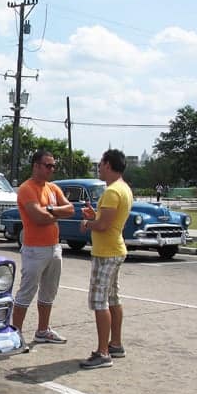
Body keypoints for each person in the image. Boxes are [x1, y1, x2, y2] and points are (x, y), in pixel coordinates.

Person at [12, 150, 74, 345]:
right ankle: (15, 334)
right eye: (48, 165)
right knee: (26, 291)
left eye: (53, 166)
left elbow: (71, 209)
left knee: (49, 291)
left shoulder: (53, 188)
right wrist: (55, 213)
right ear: (36, 166)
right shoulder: (26, 188)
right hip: (34, 249)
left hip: (54, 247)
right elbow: (37, 218)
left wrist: (49, 210)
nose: (52, 169)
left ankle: (42, 330)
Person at [79, 149, 133, 369]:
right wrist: (95, 216)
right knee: (113, 298)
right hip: (115, 249)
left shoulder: (112, 192)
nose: (98, 168)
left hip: (106, 252)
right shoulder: (124, 188)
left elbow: (104, 226)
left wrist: (88, 224)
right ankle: (115, 344)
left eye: (100, 164)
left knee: (99, 301)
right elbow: (108, 220)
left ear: (109, 165)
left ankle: (103, 353)